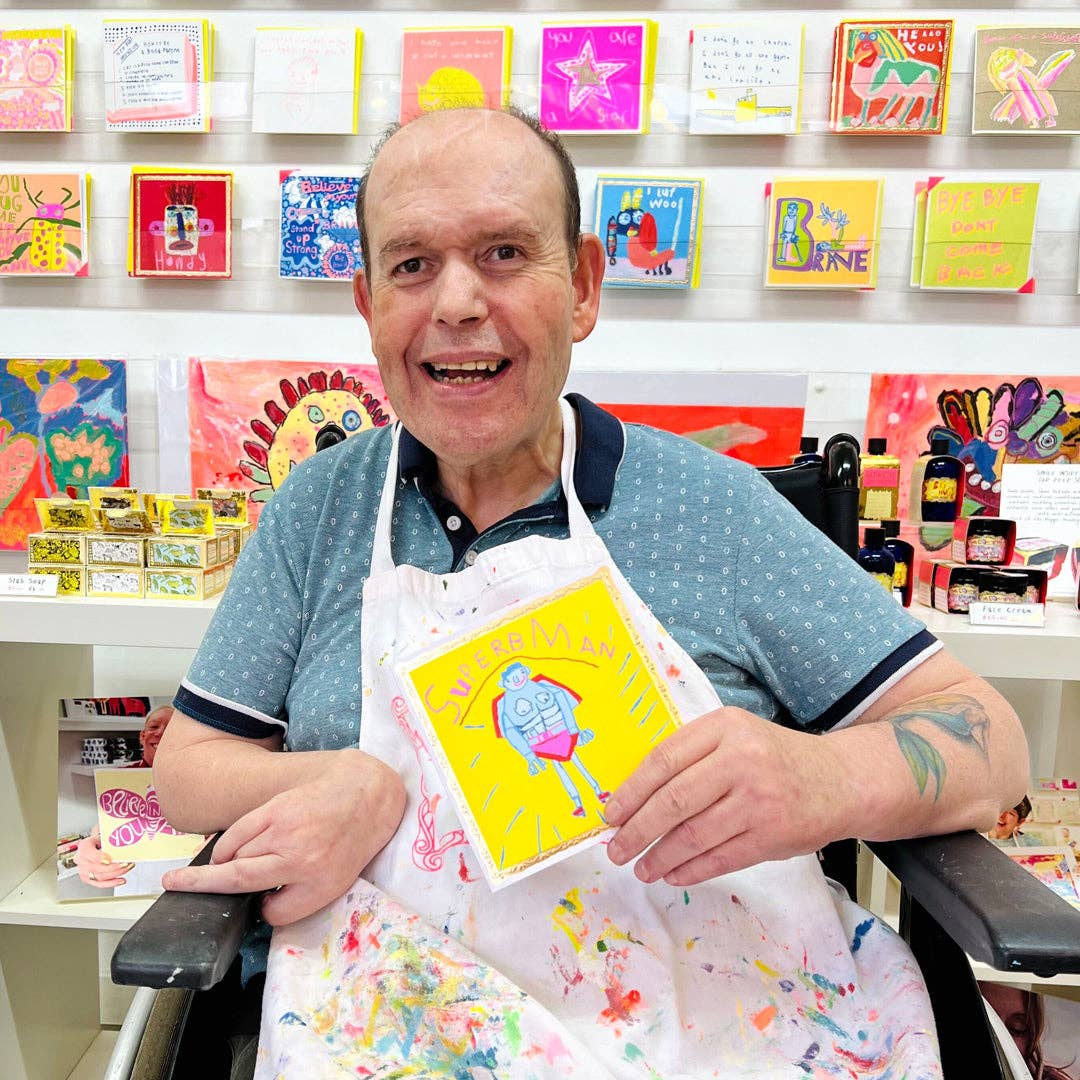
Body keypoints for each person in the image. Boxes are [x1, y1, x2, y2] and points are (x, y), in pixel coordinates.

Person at [154, 106, 1028, 1077]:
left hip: (718, 1036)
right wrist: (338, 785)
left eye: (501, 253)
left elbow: (988, 740)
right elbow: (192, 763)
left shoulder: (715, 509)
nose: (454, 303)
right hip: (393, 1031)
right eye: (410, 265)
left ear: (581, 286)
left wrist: (823, 780)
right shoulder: (320, 511)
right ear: (366, 302)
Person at [74, 705, 187, 891]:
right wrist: (93, 842)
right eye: (154, 727)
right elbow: (106, 822)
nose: (162, 733)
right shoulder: (121, 777)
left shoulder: (199, 780)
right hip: (135, 877)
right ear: (142, 736)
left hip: (185, 872)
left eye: (172, 728)